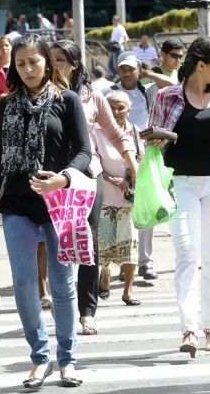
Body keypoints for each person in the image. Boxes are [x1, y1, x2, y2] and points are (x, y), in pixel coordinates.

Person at [0, 33, 90, 388]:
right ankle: (40, 357)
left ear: (48, 62)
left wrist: (64, 179)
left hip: (59, 202)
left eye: (34, 62)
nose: (27, 69)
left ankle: (67, 359)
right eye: (20, 64)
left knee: (62, 285)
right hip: (17, 205)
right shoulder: (7, 105)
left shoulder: (68, 101)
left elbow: (85, 152)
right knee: (25, 284)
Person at [148, 36, 210, 358]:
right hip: (180, 184)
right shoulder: (168, 96)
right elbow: (152, 141)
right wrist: (159, 140)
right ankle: (190, 329)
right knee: (186, 255)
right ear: (201, 66)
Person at [50, 39, 138, 335]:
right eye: (51, 59)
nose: (54, 65)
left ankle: (87, 312)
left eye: (60, 59)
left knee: (89, 243)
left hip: (89, 176)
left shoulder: (92, 97)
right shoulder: (41, 94)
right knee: (56, 242)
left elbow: (115, 133)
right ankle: (58, 300)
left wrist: (133, 165)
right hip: (52, 179)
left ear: (75, 64)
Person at [102, 51, 158, 280]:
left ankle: (144, 262)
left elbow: (171, 83)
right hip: (112, 154)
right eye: (122, 68)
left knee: (143, 212)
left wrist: (146, 73)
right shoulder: (108, 92)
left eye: (131, 69)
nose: (126, 73)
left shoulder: (147, 90)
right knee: (114, 216)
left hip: (141, 151)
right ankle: (121, 266)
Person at [97, 90, 142, 306]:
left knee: (130, 244)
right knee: (105, 244)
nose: (115, 112)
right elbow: (92, 162)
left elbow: (142, 160)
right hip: (105, 198)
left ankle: (128, 290)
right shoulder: (96, 132)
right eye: (111, 107)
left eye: (120, 107)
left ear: (129, 109)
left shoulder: (135, 132)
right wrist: (112, 179)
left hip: (130, 200)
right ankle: (104, 274)